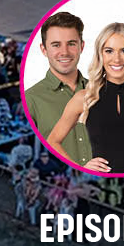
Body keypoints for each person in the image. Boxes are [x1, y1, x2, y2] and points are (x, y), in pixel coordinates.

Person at [47, 22, 124, 174]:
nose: (117, 59)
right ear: (100, 55)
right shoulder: (84, 98)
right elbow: (53, 141)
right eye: (109, 51)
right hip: (100, 183)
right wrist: (80, 168)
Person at [23, 11, 88, 162]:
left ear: (81, 47)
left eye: (71, 44)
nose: (64, 52)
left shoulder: (101, 90)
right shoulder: (32, 99)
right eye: (56, 45)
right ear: (44, 50)